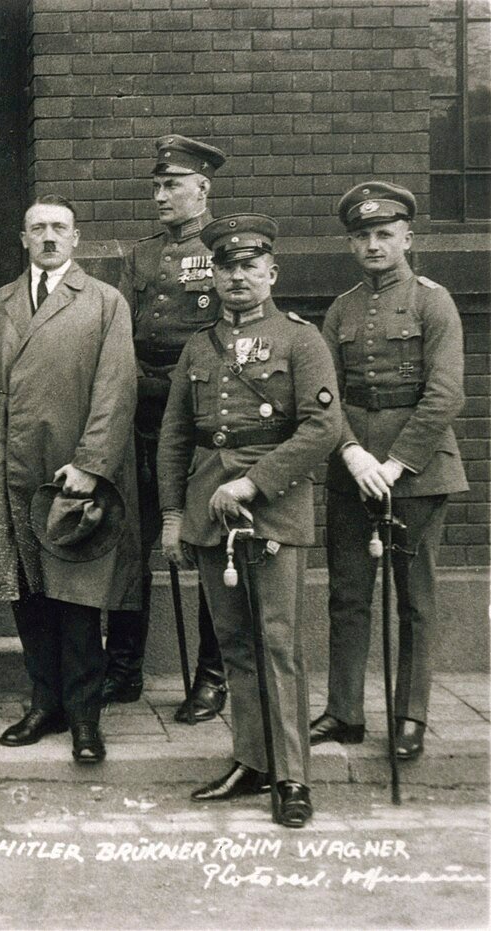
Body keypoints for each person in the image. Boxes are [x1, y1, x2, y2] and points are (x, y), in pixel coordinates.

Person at [158, 214, 342, 828]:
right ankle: (252, 760)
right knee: (236, 644)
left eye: (249, 266)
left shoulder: (301, 340)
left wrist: (254, 481)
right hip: (210, 512)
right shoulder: (196, 348)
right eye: (227, 266)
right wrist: (172, 515)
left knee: (279, 644)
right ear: (212, 274)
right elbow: (176, 437)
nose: (237, 277)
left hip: (274, 508)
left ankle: (292, 776)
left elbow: (323, 428)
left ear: (271, 273)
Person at [0, 194, 142, 764]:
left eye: (59, 228)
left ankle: (84, 717)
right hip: (11, 468)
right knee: (27, 593)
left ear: (76, 240)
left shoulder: (105, 302)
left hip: (70, 472)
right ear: (24, 239)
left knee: (76, 596)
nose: (49, 237)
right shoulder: (4, 301)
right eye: (38, 228)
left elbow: (115, 390)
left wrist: (91, 464)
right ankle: (44, 702)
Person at [310, 181, 468, 760]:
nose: (373, 245)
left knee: (415, 598)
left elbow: (446, 393)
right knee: (347, 594)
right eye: (362, 236)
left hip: (419, 472)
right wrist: (352, 453)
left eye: (384, 234)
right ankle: (344, 711)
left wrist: (397, 464)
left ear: (407, 236)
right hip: (352, 471)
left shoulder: (434, 302)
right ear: (351, 244)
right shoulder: (342, 309)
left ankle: (409, 717)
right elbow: (324, 398)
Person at [110, 135, 230, 721]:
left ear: (202, 188)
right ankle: (123, 666)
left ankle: (212, 675)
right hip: (142, 413)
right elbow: (122, 336)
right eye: (156, 186)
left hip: (200, 417)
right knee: (131, 542)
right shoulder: (139, 257)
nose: (161, 195)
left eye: (172, 185)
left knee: (205, 540)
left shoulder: (226, 248)